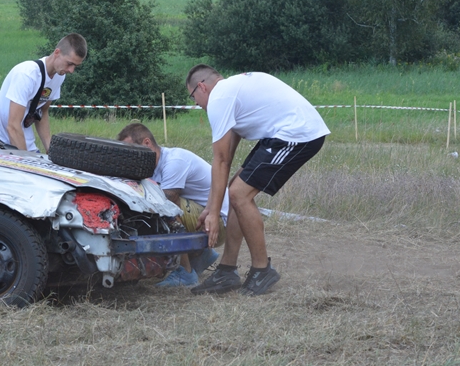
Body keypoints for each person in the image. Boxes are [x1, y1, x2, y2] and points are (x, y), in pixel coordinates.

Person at [186, 65, 330, 296]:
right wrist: (212, 206)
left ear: (201, 87)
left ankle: (262, 270)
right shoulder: (233, 91)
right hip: (281, 133)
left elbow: (220, 159)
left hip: (296, 134)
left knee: (239, 194)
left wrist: (213, 213)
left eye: (193, 97)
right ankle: (227, 270)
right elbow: (227, 158)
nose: (196, 104)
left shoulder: (220, 97)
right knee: (236, 191)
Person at [118, 122, 229, 287]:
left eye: (131, 150)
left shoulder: (174, 161)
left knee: (162, 209)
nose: (129, 157)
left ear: (146, 143)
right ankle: (201, 256)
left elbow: (165, 204)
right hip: (207, 215)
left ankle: (185, 272)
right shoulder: (153, 166)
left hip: (218, 222)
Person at [0, 33, 87, 153]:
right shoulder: (27, 74)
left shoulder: (59, 76)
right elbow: (12, 126)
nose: (71, 70)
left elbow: (42, 112)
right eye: (69, 63)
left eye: (76, 66)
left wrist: (50, 150)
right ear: (57, 52)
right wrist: (25, 162)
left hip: (26, 142)